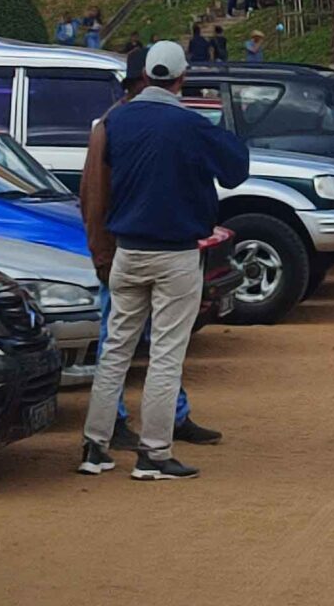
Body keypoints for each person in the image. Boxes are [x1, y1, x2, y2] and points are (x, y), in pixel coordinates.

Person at [78, 41, 249, 479]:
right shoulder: (190, 124)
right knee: (166, 355)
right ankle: (153, 454)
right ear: (180, 78)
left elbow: (98, 185)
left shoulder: (115, 121)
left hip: (127, 250)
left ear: (144, 76)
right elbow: (235, 169)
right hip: (174, 253)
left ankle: (95, 447)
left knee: (115, 350)